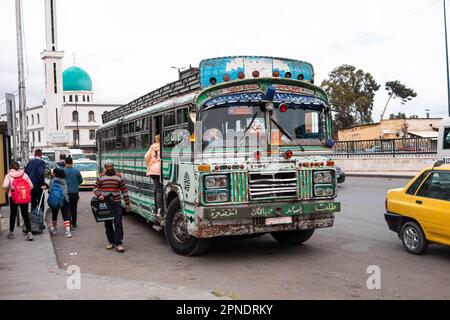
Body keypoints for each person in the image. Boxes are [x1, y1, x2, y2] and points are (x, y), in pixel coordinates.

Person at [93, 160, 130, 252]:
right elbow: (95, 188)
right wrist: (99, 195)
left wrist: (127, 203)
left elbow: (124, 190)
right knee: (108, 223)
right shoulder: (101, 177)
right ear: (105, 167)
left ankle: (119, 243)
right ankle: (111, 242)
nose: (109, 168)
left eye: (111, 166)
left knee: (118, 223)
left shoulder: (119, 176)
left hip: (116, 203)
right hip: (105, 204)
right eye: (107, 166)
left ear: (113, 166)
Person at [2, 161, 34, 241]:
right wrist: (25, 191)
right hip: (23, 196)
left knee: (13, 213)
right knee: (25, 214)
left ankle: (11, 233)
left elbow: (5, 185)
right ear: (18, 167)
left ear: (10, 167)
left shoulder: (8, 175)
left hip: (13, 197)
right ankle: (29, 233)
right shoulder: (24, 174)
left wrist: (8, 191)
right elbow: (31, 186)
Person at [48, 168, 72, 238]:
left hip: (55, 200)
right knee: (65, 215)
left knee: (54, 214)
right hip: (64, 200)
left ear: (55, 173)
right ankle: (68, 232)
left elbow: (49, 191)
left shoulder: (52, 180)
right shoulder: (64, 181)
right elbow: (66, 191)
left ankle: (55, 229)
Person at [63, 157, 83, 229]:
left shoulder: (62, 171)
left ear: (65, 162)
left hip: (65, 193)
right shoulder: (76, 171)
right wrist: (75, 184)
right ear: (72, 162)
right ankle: (74, 224)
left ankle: (69, 223)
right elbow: (81, 180)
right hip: (74, 192)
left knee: (67, 208)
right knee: (74, 208)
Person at [145, 134, 162, 218]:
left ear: (156, 140)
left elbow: (146, 157)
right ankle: (159, 209)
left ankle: (156, 209)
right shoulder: (162, 147)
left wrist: (149, 166)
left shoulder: (152, 147)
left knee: (156, 189)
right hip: (160, 170)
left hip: (153, 170)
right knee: (159, 190)